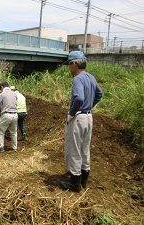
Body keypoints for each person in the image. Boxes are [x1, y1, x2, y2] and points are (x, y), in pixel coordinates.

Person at [60, 51, 103, 192]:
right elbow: (99, 94)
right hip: (88, 117)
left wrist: (72, 113)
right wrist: (89, 106)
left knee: (74, 150)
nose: (69, 68)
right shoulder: (91, 77)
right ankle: (84, 180)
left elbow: (78, 98)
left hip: (78, 118)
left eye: (69, 64)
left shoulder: (78, 78)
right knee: (84, 149)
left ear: (74, 64)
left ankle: (74, 184)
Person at [0, 81, 18, 153]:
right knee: (14, 132)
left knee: (1, 131)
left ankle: (0, 147)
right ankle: (14, 147)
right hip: (15, 114)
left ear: (2, 87)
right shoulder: (14, 94)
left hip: (6, 114)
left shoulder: (1, 94)